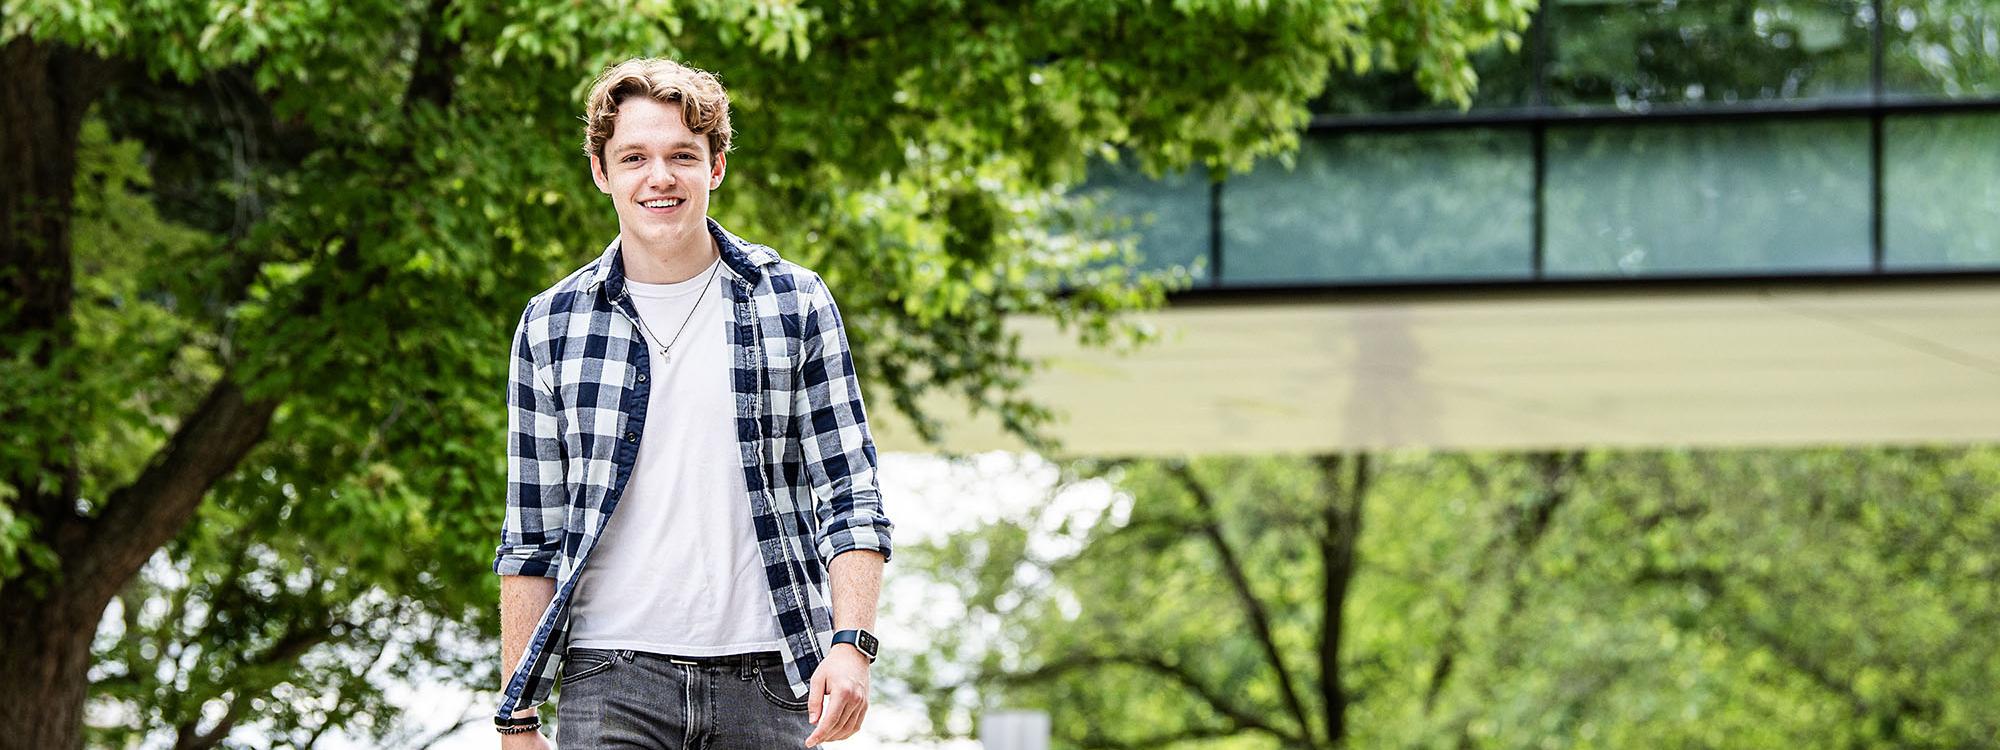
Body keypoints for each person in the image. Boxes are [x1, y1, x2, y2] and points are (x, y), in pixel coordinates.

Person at [490, 57, 893, 750]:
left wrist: (852, 644)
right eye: (634, 157)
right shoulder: (551, 323)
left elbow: (850, 490)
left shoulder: (793, 302)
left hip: (771, 674)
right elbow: (532, 533)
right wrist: (517, 717)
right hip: (609, 676)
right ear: (601, 171)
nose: (660, 177)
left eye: (682, 155)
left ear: (716, 167)